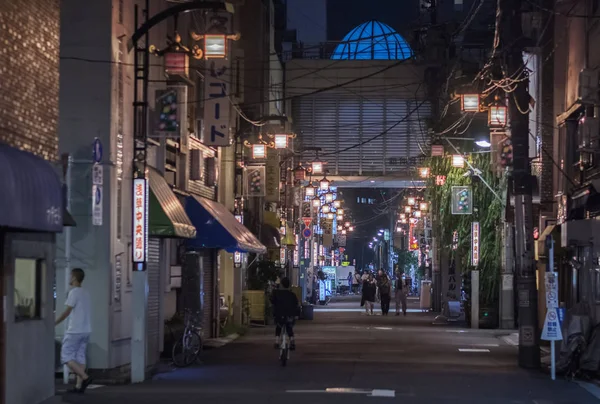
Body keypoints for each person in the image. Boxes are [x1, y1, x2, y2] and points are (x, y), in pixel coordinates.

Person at [55, 268, 93, 393]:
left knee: (66, 357)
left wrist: (54, 323)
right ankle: (78, 386)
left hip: (74, 331)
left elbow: (67, 311)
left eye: (70, 276)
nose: (69, 278)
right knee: (80, 357)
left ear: (74, 278)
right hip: (86, 330)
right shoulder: (86, 292)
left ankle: (85, 377)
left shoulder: (74, 293)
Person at [271, 277, 300, 350]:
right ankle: (292, 341)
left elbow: (272, 301)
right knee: (289, 327)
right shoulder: (292, 295)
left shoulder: (276, 293)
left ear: (281, 285)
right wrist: (297, 315)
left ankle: (277, 341)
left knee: (278, 326)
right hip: (290, 316)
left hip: (279, 315)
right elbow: (296, 305)